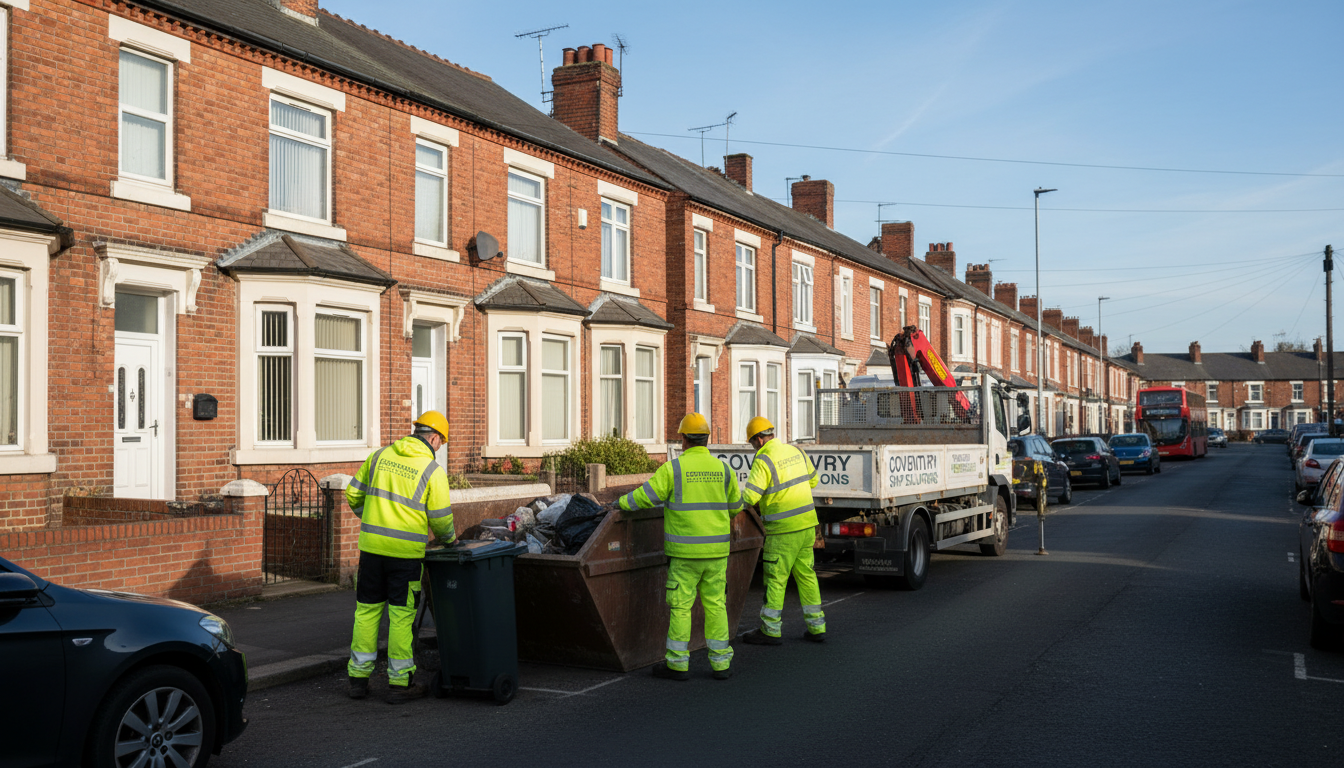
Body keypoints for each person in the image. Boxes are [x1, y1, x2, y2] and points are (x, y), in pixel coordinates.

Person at [620, 413, 742, 681]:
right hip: (716, 553)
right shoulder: (723, 470)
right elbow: (736, 506)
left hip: (684, 555)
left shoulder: (673, 469)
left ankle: (677, 665)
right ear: (707, 439)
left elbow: (645, 497)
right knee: (716, 606)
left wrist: (621, 504)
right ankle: (721, 664)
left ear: (683, 439)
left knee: (681, 608)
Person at [345, 411, 455, 703]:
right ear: (433, 438)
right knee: (401, 617)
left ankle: (358, 679)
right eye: (441, 443)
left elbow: (353, 495)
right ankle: (399, 683)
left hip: (371, 551)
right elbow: (442, 519)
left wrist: (371, 521)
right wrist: (450, 542)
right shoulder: (431, 470)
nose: (440, 448)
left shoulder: (379, 456)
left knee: (366, 612)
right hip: (405, 558)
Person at [739, 416, 826, 645]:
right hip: (807, 527)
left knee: (776, 579)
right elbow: (814, 481)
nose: (753, 447)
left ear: (758, 439)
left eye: (751, 443)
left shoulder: (763, 459)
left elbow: (750, 497)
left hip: (782, 532)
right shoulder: (796, 451)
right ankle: (817, 627)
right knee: (807, 576)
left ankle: (770, 629)